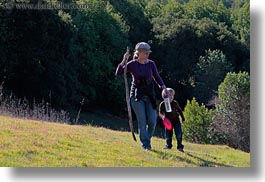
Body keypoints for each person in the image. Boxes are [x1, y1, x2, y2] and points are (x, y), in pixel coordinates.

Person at [115, 42, 166, 150]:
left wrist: (163, 87)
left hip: (149, 94)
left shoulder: (151, 64)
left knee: (152, 121)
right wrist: (124, 60)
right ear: (139, 53)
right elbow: (118, 72)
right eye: (146, 52)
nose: (148, 54)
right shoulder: (132, 64)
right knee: (142, 121)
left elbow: (157, 77)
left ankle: (146, 140)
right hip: (136, 95)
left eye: (148, 52)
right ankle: (146, 144)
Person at [159, 88, 186, 152]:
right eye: (169, 95)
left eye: (172, 95)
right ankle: (168, 145)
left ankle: (180, 146)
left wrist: (183, 119)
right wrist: (163, 117)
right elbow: (160, 113)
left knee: (179, 133)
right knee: (168, 134)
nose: (171, 97)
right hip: (168, 121)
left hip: (176, 120)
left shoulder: (175, 103)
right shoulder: (162, 104)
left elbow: (179, 111)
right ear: (164, 96)